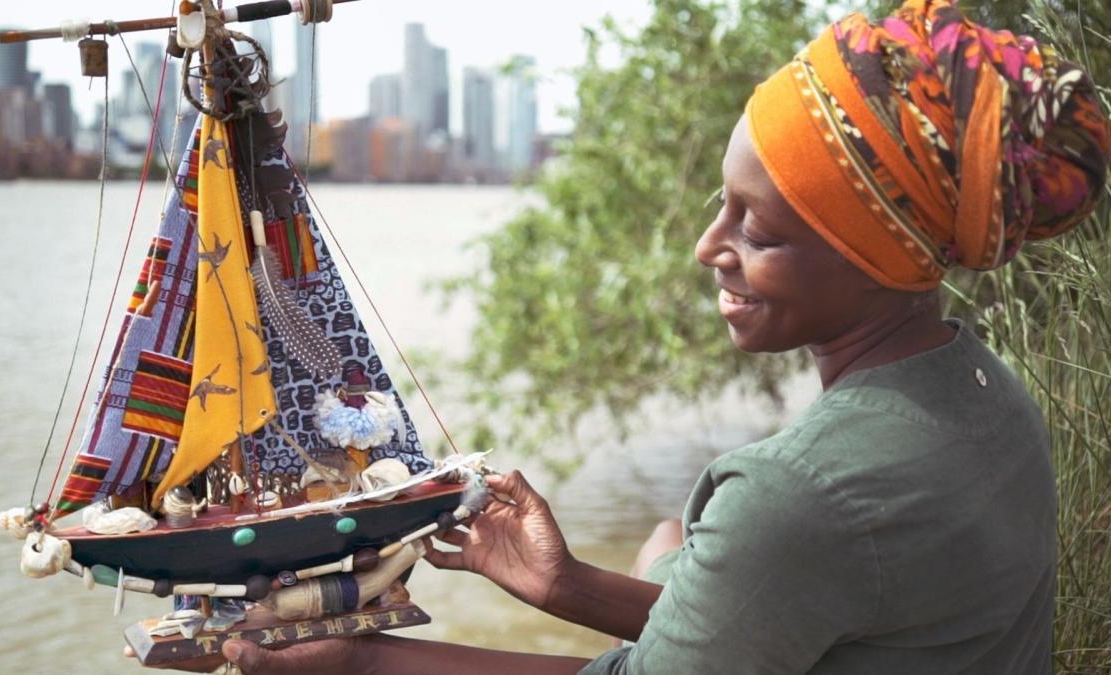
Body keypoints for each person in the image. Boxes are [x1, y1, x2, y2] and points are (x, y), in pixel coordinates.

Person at [203, 1, 1110, 672]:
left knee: (670, 536)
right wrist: (568, 587)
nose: (707, 246)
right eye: (725, 203)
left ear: (872, 254)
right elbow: (781, 624)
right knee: (670, 535)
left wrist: (361, 663)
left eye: (759, 229)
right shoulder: (986, 393)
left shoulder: (801, 495)